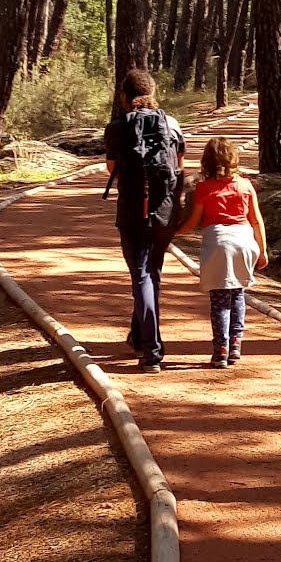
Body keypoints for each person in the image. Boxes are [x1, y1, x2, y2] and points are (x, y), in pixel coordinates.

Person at [103, 68, 185, 373]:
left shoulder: (117, 127)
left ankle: (151, 350)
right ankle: (140, 336)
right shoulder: (171, 124)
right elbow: (179, 166)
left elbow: (111, 166)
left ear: (124, 97)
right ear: (153, 93)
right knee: (153, 273)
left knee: (141, 276)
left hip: (132, 211)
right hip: (164, 212)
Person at [175, 136, 268, 367]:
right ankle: (236, 343)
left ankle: (221, 349)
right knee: (237, 293)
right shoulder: (246, 185)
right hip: (244, 241)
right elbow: (256, 221)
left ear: (206, 161)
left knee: (219, 299)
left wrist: (171, 233)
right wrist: (263, 252)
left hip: (218, 242)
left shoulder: (204, 188)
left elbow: (193, 223)